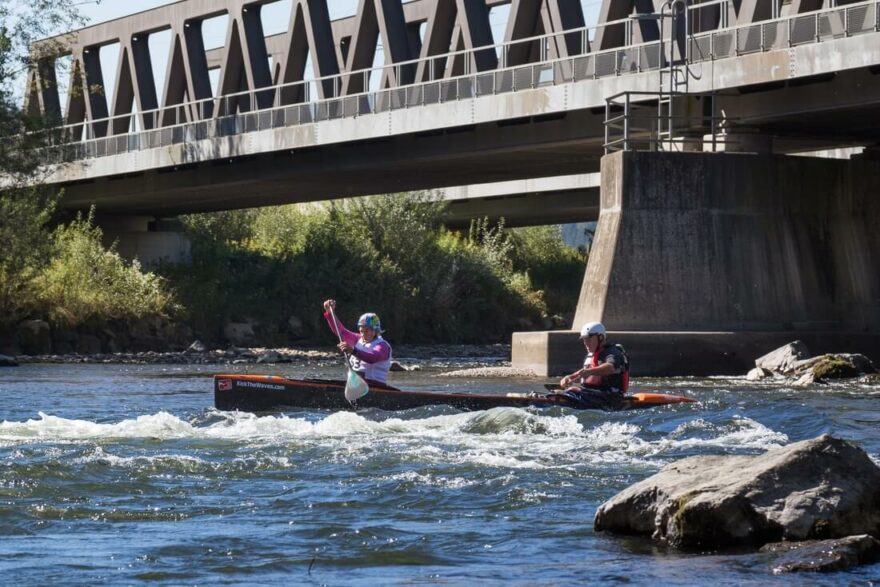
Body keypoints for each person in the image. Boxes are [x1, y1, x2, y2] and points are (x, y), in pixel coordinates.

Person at [556, 321, 630, 409]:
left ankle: (564, 396)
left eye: (589, 339)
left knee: (571, 391)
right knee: (565, 391)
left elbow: (610, 367)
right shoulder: (593, 354)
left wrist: (590, 371)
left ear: (601, 337)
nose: (585, 342)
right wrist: (570, 377)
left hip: (609, 397)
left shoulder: (612, 353)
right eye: (584, 339)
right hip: (592, 394)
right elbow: (586, 370)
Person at [322, 299, 393, 385]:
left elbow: (373, 358)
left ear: (375, 330)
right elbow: (341, 331)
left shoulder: (383, 346)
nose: (363, 334)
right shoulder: (357, 339)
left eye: (366, 331)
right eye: (361, 330)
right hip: (356, 384)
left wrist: (353, 351)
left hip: (375, 385)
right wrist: (330, 313)